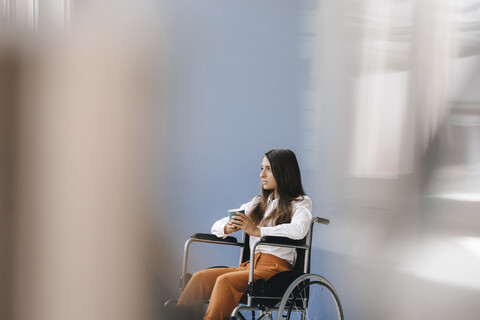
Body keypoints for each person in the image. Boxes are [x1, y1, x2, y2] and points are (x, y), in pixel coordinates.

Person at [176, 149, 313, 320]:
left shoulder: (300, 202)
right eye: (261, 168)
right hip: (248, 268)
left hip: (276, 271)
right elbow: (216, 226)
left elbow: (299, 229)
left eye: (268, 169)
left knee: (225, 281)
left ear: (284, 171)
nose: (262, 174)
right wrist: (228, 227)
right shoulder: (257, 203)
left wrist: (257, 231)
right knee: (200, 278)